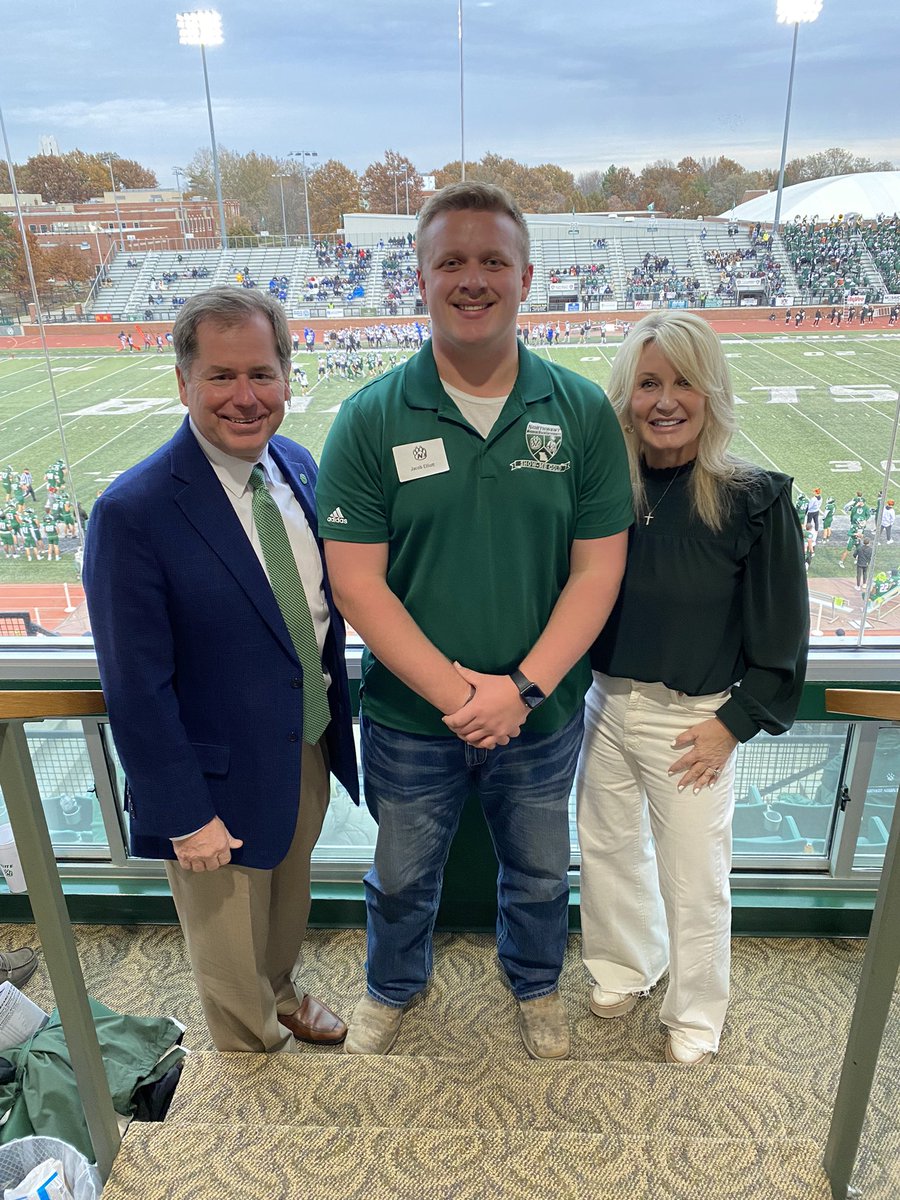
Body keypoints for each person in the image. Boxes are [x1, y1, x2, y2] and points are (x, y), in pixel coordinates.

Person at [316, 182, 632, 1060]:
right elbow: (359, 587)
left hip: (541, 715)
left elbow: (598, 569)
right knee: (403, 877)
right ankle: (392, 987)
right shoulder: (370, 416)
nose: (472, 278)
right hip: (415, 720)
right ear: (417, 279)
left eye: (492, 260)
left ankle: (534, 985)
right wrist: (466, 696)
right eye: (450, 260)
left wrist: (521, 691)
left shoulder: (580, 412)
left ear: (526, 277)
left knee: (538, 873)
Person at [83, 288, 358, 1054]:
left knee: (286, 901)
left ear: (287, 376)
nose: (246, 397)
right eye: (222, 376)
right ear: (182, 382)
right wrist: (183, 812)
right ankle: (250, 1054)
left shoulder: (296, 465)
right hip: (210, 781)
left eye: (263, 375)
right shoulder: (132, 511)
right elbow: (135, 686)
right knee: (227, 939)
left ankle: (280, 992)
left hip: (305, 740)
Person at [576, 310, 808, 1066]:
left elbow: (782, 642)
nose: (665, 400)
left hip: (696, 719)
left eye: (683, 381)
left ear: (711, 393)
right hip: (605, 704)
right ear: (626, 393)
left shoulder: (753, 499)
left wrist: (731, 725)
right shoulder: (604, 492)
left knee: (695, 878)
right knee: (607, 850)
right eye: (648, 382)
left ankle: (698, 1010)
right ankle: (623, 966)